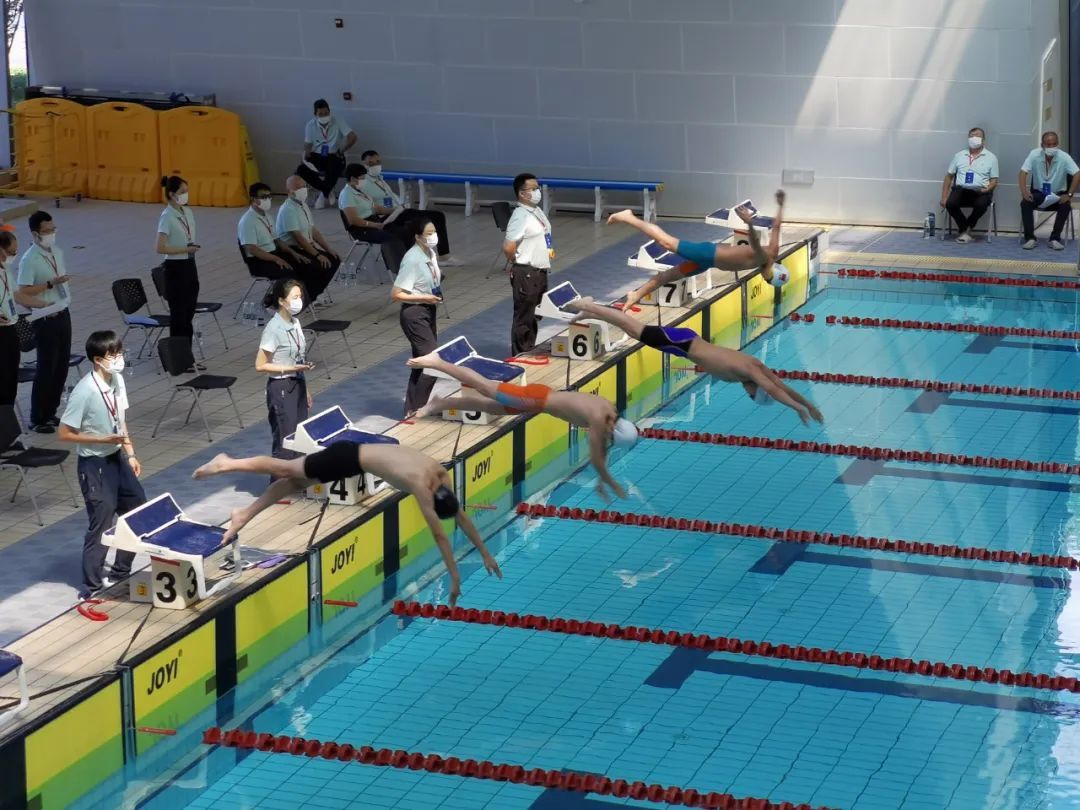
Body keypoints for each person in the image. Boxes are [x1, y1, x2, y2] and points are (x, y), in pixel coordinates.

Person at [192, 443, 502, 606]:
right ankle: (227, 463)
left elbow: (461, 517)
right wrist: (455, 578)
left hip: (353, 458)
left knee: (294, 483)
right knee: (286, 469)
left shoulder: (440, 476)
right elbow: (440, 536)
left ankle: (244, 515)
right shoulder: (421, 486)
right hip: (346, 457)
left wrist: (486, 554)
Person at [408, 352, 635, 500]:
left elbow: (601, 447)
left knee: (491, 407)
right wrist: (610, 482)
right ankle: (437, 362)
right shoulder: (598, 420)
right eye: (611, 438)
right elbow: (596, 457)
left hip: (540, 400)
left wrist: (601, 480)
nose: (607, 439)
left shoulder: (609, 411)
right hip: (534, 399)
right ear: (613, 430)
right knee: (485, 387)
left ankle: (442, 403)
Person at [565, 297, 824, 427]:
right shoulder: (748, 371)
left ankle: (590, 311)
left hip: (688, 341)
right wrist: (797, 408)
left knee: (635, 330)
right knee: (634, 328)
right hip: (682, 344)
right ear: (757, 390)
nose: (747, 392)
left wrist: (808, 405)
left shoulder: (755, 365)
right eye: (751, 394)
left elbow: (780, 385)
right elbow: (775, 389)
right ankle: (590, 307)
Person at [58, 330, 143, 597]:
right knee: (102, 524)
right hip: (94, 464)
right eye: (113, 355)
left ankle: (120, 572)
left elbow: (121, 421)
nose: (119, 359)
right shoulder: (85, 391)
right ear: (98, 359)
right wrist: (100, 439)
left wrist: (130, 453)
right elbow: (64, 433)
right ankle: (92, 588)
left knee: (137, 513)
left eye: (120, 353)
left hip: (117, 457)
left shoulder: (117, 380)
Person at [617, 191, 786, 311]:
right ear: (771, 273)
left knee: (666, 277)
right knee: (666, 242)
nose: (764, 279)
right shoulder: (763, 258)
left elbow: (777, 225)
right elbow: (755, 242)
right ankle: (628, 217)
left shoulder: (774, 251)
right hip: (707, 253)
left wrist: (780, 205)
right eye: (768, 279)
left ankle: (635, 295)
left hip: (706, 263)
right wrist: (748, 223)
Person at [17, 211, 72, 433]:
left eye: (53, 229)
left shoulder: (57, 252)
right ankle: (38, 417)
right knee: (47, 367)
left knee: (61, 365)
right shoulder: (29, 259)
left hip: (62, 311)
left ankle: (51, 412)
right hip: (45, 317)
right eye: (47, 231)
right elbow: (23, 291)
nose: (51, 234)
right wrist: (49, 284)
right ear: (35, 234)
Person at [360, 150, 462, 266]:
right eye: (371, 163)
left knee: (438, 216)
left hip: (398, 212)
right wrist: (391, 210)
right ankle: (424, 259)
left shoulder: (379, 179)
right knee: (424, 221)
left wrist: (401, 204)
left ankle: (443, 256)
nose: (376, 165)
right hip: (388, 217)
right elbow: (370, 207)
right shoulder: (365, 184)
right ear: (364, 164)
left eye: (378, 162)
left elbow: (390, 197)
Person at [256, 278, 314, 461]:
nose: (299, 301)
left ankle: (299, 476)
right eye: (294, 297)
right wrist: (290, 368)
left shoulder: (295, 322)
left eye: (300, 297)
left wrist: (306, 389)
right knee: (286, 442)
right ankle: (279, 477)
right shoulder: (273, 329)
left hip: (298, 382)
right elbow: (260, 365)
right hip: (281, 386)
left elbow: (298, 358)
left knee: (301, 439)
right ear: (281, 300)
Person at [238, 183, 324, 299]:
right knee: (290, 273)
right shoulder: (247, 221)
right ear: (253, 199)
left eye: (269, 196)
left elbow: (277, 240)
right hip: (259, 261)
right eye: (263, 197)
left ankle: (308, 297)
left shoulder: (267, 216)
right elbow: (252, 249)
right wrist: (276, 259)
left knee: (307, 263)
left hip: (274, 253)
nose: (267, 199)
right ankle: (276, 301)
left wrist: (294, 254)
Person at [394, 219, 443, 417]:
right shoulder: (412, 259)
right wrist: (424, 297)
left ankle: (412, 409)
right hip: (414, 314)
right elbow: (396, 294)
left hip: (428, 310)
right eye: (429, 233)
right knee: (433, 363)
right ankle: (418, 409)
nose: (434, 236)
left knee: (421, 363)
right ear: (417, 237)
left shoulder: (430, 253)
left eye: (434, 231)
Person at [504, 173, 552, 356]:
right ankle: (520, 353)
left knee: (534, 313)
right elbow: (508, 246)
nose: (538, 191)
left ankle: (529, 346)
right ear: (522, 193)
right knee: (524, 315)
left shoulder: (536, 210)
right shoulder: (520, 215)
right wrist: (516, 261)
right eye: (533, 189)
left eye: (538, 187)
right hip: (526, 272)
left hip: (539, 271)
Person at [0, 230, 46, 408]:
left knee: (10, 380)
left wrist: (44, 305)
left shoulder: (5, 269)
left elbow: (17, 295)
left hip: (10, 330)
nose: (13, 256)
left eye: (15, 252)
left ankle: (8, 420)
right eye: (10, 252)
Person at [155, 175, 201, 355]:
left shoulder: (187, 211)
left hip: (190, 264)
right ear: (172, 194)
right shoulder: (167, 217)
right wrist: (184, 249)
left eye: (187, 191)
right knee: (179, 316)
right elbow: (160, 247)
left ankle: (187, 355)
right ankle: (177, 356)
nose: (186, 195)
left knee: (188, 313)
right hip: (175, 268)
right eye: (182, 192)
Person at [275, 175, 339, 300]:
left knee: (334, 259)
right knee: (316, 265)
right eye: (298, 188)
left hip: (305, 247)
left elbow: (313, 230)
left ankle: (313, 293)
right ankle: (307, 297)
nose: (303, 190)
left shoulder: (302, 205)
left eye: (304, 186)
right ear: (289, 191)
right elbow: (298, 237)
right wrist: (317, 255)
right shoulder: (288, 209)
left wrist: (328, 249)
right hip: (292, 250)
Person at [1019, 131, 1080, 250]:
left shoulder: (1064, 157)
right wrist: (1024, 192)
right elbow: (1022, 172)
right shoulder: (1034, 154)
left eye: (1054, 144)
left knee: (1065, 206)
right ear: (1042, 145)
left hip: (1058, 195)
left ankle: (1054, 239)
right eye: (1048, 144)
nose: (1052, 147)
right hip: (1040, 194)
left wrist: (1069, 194)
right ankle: (1030, 238)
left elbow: (1077, 174)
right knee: (1025, 203)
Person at [940, 127, 998, 243]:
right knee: (950, 204)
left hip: (981, 191)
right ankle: (965, 229)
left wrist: (987, 189)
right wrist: (944, 197)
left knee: (981, 205)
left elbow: (994, 181)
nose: (974, 138)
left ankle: (966, 228)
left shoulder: (991, 157)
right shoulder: (959, 155)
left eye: (977, 136)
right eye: (971, 136)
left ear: (983, 140)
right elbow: (949, 177)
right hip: (961, 190)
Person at [297, 99, 357, 209]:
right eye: (321, 114)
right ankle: (327, 190)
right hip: (317, 155)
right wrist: (305, 157)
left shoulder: (338, 121)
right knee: (301, 169)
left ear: (329, 111)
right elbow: (308, 144)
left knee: (335, 167)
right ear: (315, 114)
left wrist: (342, 150)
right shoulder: (310, 125)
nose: (324, 116)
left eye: (326, 113)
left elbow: (352, 137)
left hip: (334, 154)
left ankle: (323, 194)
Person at [338, 163, 411, 246]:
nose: (365, 181)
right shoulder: (347, 195)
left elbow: (377, 209)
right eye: (362, 178)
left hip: (374, 222)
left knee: (404, 229)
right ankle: (396, 253)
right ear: (353, 179)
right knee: (394, 238)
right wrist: (374, 225)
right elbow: (353, 220)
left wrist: (396, 210)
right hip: (361, 229)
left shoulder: (360, 191)